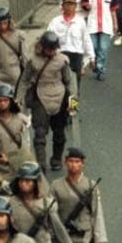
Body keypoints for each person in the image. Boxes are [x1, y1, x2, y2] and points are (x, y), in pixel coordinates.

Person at [8, 161, 79, 243]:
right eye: (21, 180)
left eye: (28, 181)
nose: (23, 184)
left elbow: (59, 231)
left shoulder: (46, 204)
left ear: (36, 183)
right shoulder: (11, 203)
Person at [21, 31, 77, 171]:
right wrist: (18, 101)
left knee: (59, 133)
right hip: (40, 97)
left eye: (54, 49)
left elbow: (70, 82)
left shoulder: (62, 61)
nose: (51, 52)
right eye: (49, 49)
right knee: (39, 133)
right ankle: (41, 163)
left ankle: (56, 159)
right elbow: (24, 80)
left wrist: (73, 105)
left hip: (60, 97)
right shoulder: (32, 61)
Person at [50, 147, 107, 243]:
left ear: (83, 164)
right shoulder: (56, 186)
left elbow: (97, 214)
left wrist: (98, 241)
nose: (74, 165)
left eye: (77, 161)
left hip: (86, 237)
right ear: (65, 163)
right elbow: (51, 214)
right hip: (64, 237)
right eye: (71, 161)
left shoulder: (90, 186)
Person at [0, 83, 33, 181]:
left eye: (5, 100)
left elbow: (26, 144)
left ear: (11, 102)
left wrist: (16, 160)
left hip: (19, 164)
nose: (2, 103)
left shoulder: (20, 120)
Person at [46, 0, 95, 87]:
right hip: (60, 55)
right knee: (60, 84)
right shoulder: (55, 22)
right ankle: (63, 101)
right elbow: (47, 37)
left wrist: (91, 57)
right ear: (62, 6)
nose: (69, 7)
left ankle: (73, 102)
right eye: (67, 4)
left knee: (75, 86)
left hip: (76, 56)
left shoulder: (80, 22)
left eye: (72, 4)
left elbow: (86, 40)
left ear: (75, 6)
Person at [80, 0, 118, 81]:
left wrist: (115, 23)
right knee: (94, 46)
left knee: (103, 48)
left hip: (106, 24)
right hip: (92, 23)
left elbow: (113, 8)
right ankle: (96, 63)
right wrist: (87, 6)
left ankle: (101, 69)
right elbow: (83, 4)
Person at [0, 7, 27, 91]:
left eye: (5, 23)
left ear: (9, 22)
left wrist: (27, 75)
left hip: (15, 74)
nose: (2, 26)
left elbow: (25, 57)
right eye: (0, 23)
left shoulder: (19, 35)